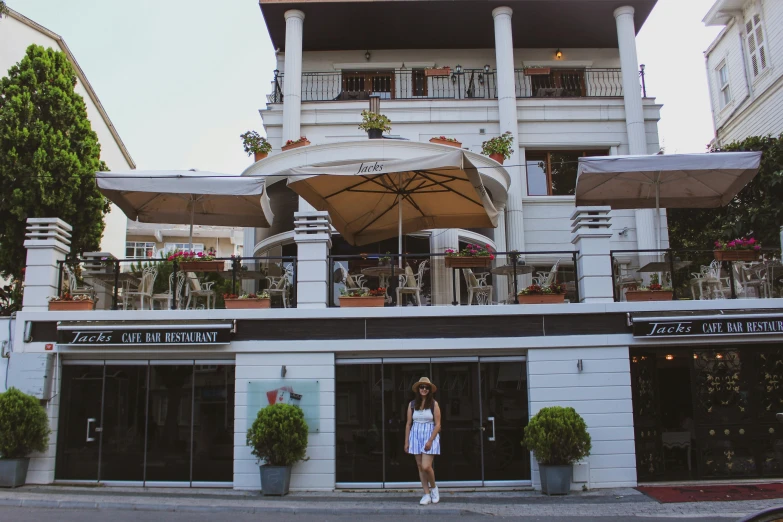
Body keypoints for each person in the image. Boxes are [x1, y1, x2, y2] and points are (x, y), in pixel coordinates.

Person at [404, 377, 441, 505]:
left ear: (430, 390)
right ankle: (426, 494)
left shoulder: (433, 404)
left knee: (426, 466)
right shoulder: (412, 404)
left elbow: (438, 424)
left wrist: (431, 440)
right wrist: (406, 442)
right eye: (422, 387)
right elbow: (408, 424)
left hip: (429, 435)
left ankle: (434, 488)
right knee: (420, 467)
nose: (424, 389)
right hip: (415, 435)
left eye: (426, 387)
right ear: (418, 389)